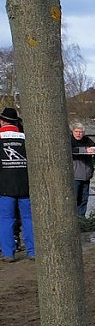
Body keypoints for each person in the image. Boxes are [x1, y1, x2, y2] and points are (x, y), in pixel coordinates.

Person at [0, 107, 34, 261]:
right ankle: (32, 251)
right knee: (28, 219)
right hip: (26, 184)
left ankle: (8, 253)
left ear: (2, 121)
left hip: (4, 185)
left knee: (6, 220)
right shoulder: (26, 137)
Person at [70, 122, 95, 217]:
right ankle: (74, 217)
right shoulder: (69, 140)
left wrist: (93, 149)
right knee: (75, 197)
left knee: (84, 198)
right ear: (72, 132)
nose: (78, 134)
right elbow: (70, 150)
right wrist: (84, 150)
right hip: (75, 174)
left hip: (87, 174)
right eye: (76, 131)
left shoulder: (87, 140)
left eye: (80, 132)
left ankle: (82, 216)